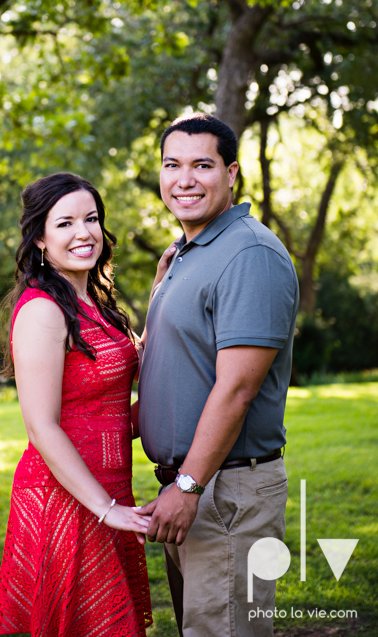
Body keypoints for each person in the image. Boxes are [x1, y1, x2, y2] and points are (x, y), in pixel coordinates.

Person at [137, 113, 299, 637]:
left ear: (232, 174)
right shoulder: (188, 253)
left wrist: (188, 485)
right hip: (191, 488)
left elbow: (237, 388)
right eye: (172, 165)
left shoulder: (249, 254)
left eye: (201, 165)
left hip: (224, 491)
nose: (184, 179)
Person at [0, 172, 153, 637]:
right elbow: (41, 427)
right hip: (66, 500)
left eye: (92, 219)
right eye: (65, 223)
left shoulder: (97, 303)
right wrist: (105, 508)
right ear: (40, 237)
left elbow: (115, 414)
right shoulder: (44, 309)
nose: (84, 233)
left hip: (108, 490)